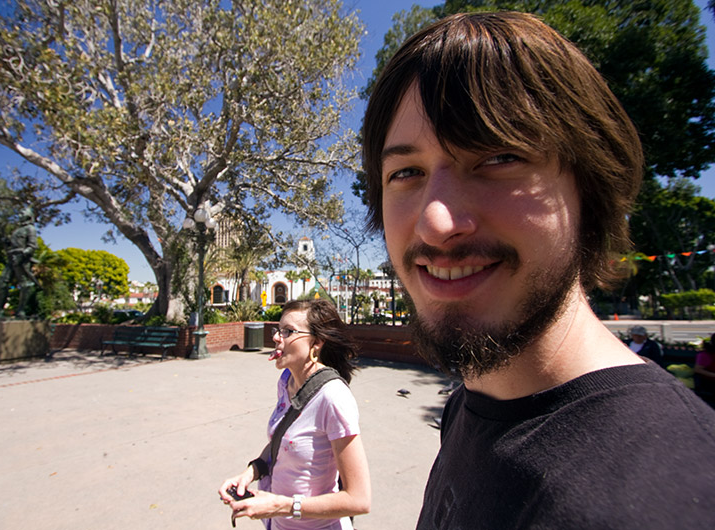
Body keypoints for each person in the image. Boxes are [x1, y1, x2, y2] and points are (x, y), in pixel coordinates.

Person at [362, 11, 715, 529]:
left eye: (499, 157)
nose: (436, 223)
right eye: (406, 172)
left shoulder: (672, 494)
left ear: (589, 190)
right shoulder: (470, 402)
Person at [218, 299, 371, 529]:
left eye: (288, 332)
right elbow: (283, 442)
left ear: (316, 343)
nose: (277, 338)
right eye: (278, 330)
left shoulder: (333, 397)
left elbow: (359, 500)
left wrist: (283, 506)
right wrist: (251, 472)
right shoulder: (286, 382)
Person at [0, 207, 38, 319]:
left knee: (25, 285)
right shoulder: (17, 230)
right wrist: (7, 242)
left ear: (28, 216)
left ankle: (21, 311)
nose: (19, 214)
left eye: (22, 212)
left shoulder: (30, 229)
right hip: (11, 258)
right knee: (3, 283)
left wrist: (22, 256)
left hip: (21, 259)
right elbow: (14, 245)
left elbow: (32, 246)